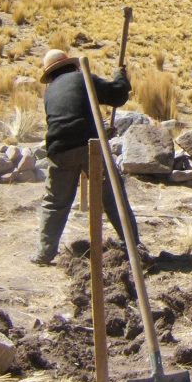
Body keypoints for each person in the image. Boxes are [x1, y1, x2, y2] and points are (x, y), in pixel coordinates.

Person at [33, 49, 138, 266]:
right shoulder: (82, 78)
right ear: (71, 65)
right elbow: (117, 95)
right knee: (113, 197)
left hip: (59, 149)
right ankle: (133, 246)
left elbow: (68, 122)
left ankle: (44, 253)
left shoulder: (50, 92)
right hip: (89, 147)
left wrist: (102, 132)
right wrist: (120, 76)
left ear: (50, 74)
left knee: (55, 202)